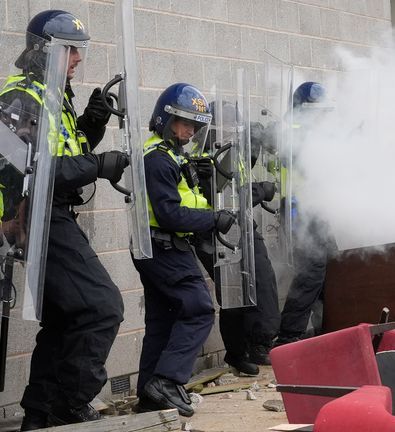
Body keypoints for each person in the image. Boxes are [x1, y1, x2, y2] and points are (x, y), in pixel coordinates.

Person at [5, 10, 128, 430]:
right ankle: (69, 403)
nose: (78, 58)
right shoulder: (21, 98)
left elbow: (64, 153)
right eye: (69, 49)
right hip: (34, 219)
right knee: (101, 307)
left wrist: (91, 127)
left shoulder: (55, 95)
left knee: (66, 319)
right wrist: (98, 164)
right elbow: (33, 171)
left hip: (53, 215)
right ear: (43, 50)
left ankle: (39, 417)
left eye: (79, 50)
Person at [133, 83, 234, 417]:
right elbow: (169, 213)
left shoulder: (170, 155)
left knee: (163, 321)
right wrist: (212, 219)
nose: (190, 130)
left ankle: (149, 397)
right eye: (184, 121)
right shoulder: (158, 160)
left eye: (195, 124)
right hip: (163, 245)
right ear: (166, 118)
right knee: (200, 308)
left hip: (157, 245)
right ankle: (167, 381)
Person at [190, 101, 281, 371]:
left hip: (239, 227)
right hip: (216, 231)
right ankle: (242, 350)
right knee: (235, 292)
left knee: (257, 284)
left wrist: (256, 142)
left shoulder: (231, 150)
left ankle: (252, 347)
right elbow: (222, 196)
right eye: (231, 125)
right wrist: (259, 192)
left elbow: (237, 180)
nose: (235, 130)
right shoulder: (206, 156)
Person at [274, 82, 338, 346]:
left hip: (313, 208)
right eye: (318, 111)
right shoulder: (294, 134)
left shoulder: (309, 133)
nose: (323, 116)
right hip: (299, 209)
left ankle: (328, 326)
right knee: (311, 271)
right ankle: (289, 334)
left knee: (333, 266)